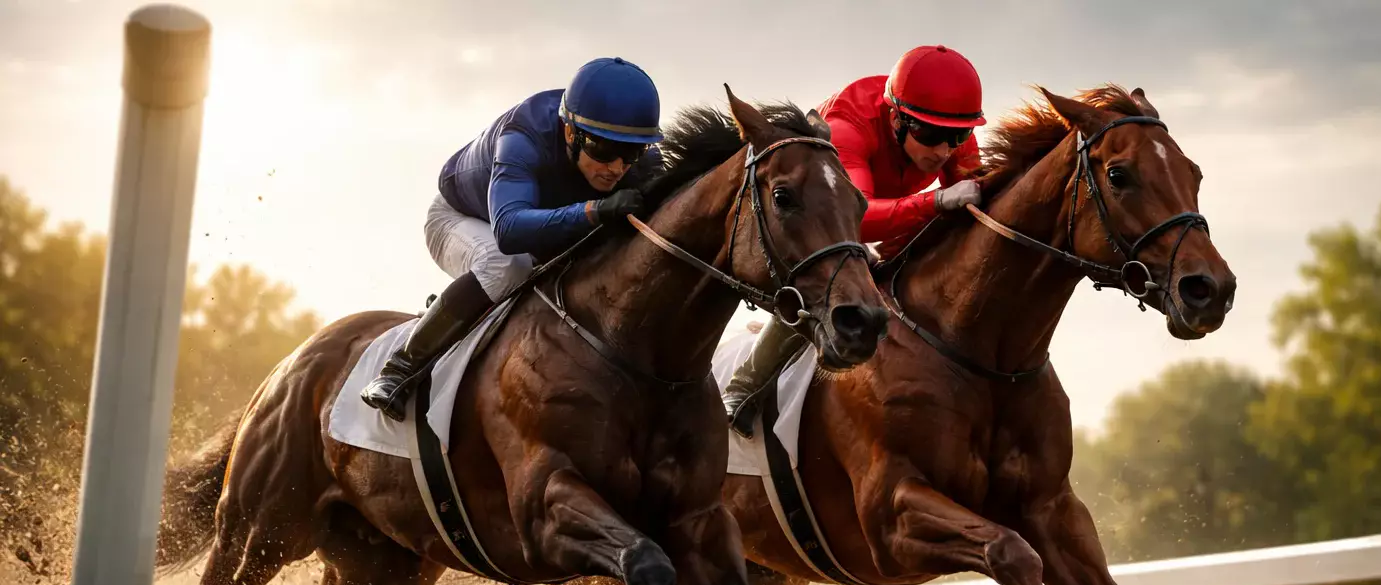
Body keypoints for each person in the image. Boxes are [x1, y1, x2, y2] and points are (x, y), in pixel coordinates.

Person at [361, 57, 664, 421]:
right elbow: (508, 230)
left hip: (536, 227)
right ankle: (400, 368)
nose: (617, 167)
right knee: (507, 264)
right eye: (602, 150)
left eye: (630, 153)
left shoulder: (640, 162)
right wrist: (593, 211)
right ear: (571, 133)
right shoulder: (523, 136)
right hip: (465, 218)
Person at [721, 44, 987, 437]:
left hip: (889, 204)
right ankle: (745, 386)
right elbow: (857, 223)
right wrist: (937, 200)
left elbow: (980, 208)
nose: (943, 151)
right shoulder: (850, 129)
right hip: (828, 208)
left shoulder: (946, 130)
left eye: (957, 136)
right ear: (896, 118)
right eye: (929, 135)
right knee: (840, 266)